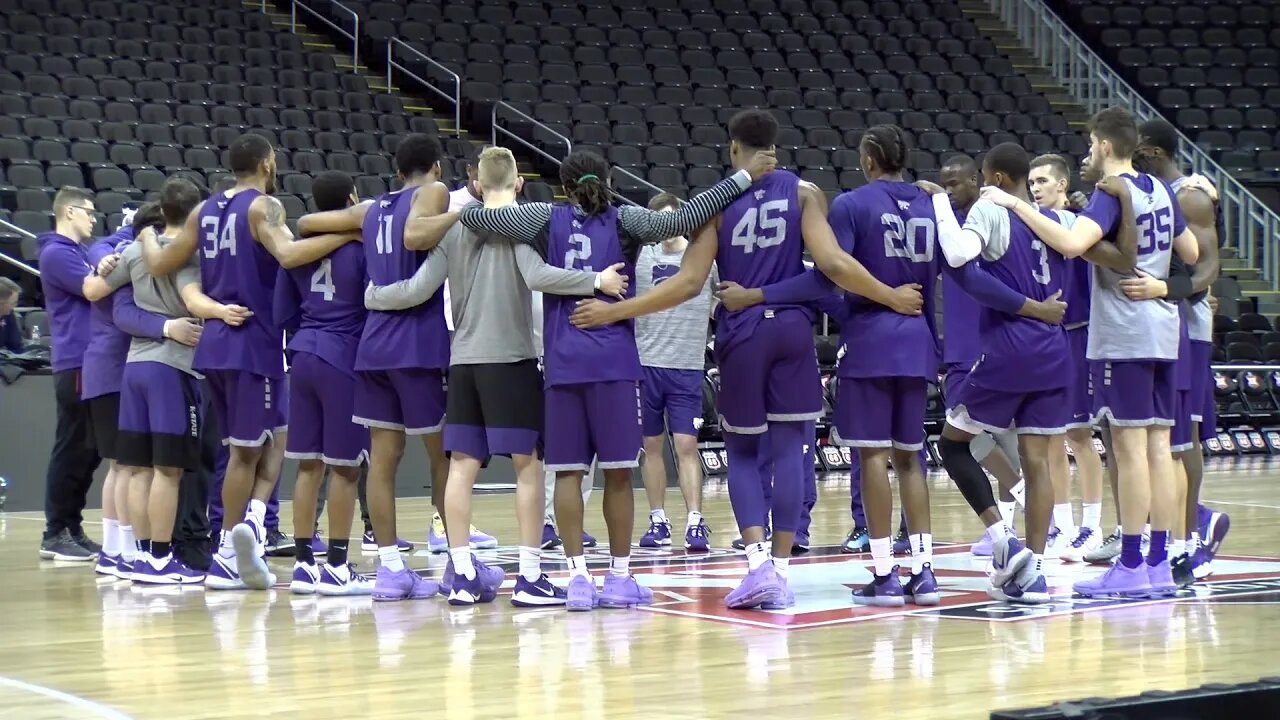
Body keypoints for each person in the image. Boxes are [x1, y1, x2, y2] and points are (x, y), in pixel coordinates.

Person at [569, 114, 925, 610]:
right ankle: (780, 568)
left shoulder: (722, 201)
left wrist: (617, 310)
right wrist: (891, 296)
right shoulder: (805, 194)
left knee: (742, 453)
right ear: (775, 146)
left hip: (743, 333)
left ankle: (757, 564)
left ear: (734, 148)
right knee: (790, 452)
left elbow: (689, 283)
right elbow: (834, 267)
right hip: (793, 332)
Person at [456, 145, 781, 611]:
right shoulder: (627, 220)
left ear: (565, 188)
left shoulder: (542, 219)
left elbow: (474, 220)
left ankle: (577, 579)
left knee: (568, 475)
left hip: (563, 366)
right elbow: (681, 219)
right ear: (607, 180)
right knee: (618, 477)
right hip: (613, 365)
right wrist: (742, 179)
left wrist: (491, 189)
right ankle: (621, 577)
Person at [365, 146, 622, 606]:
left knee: (461, 467)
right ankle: (528, 576)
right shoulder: (521, 224)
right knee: (528, 467)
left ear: (477, 185)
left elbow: (420, 289)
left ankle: (461, 574)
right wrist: (595, 282)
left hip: (463, 360)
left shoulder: (457, 228)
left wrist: (376, 297)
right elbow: (539, 275)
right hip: (510, 360)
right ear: (519, 183)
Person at [982, 106, 1201, 599]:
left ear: (1104, 144)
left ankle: (1129, 565)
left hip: (1125, 332)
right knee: (1159, 450)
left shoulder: (1111, 191)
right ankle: (1160, 562)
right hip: (1166, 330)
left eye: (1088, 144)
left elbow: (1071, 240)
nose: (1087, 153)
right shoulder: (1162, 189)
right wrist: (1162, 282)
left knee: (1129, 450)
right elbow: (1191, 254)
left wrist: (1016, 205)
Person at [139, 133, 359, 591]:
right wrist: (350, 230)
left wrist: (143, 234)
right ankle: (226, 552)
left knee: (273, 438)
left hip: (214, 343)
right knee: (245, 453)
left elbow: (160, 264)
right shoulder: (263, 208)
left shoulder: (203, 210)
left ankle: (251, 527)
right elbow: (289, 253)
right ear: (268, 163)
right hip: (250, 339)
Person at [296, 136, 496, 600]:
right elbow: (417, 236)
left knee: (382, 463)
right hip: (417, 345)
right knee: (444, 457)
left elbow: (305, 222)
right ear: (437, 167)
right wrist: (464, 214)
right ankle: (458, 564)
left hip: (372, 347)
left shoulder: (370, 209)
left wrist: (355, 231)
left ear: (397, 168)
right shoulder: (435, 193)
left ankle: (390, 570)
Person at [928, 143, 1087, 603]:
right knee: (1039, 465)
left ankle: (1004, 539)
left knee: (953, 446)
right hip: (1055, 352)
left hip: (1008, 348)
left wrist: (940, 201)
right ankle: (1033, 572)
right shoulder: (1059, 222)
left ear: (994, 179)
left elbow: (958, 255)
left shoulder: (991, 210)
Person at [106, 178, 240, 584]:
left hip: (135, 366)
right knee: (169, 471)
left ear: (162, 211)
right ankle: (162, 559)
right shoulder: (194, 254)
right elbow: (192, 298)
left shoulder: (131, 251)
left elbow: (96, 288)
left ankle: (144, 554)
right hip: (174, 367)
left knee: (141, 468)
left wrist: (104, 260)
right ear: (198, 211)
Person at [1131, 119, 1229, 583]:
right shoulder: (1152, 192)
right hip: (1164, 323)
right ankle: (1189, 523)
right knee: (1161, 436)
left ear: (1149, 152)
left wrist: (1168, 289)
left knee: (1181, 435)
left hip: (1186, 326)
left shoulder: (1189, 194)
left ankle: (1189, 540)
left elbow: (1209, 264)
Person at [274, 171, 376, 596]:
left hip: (303, 353)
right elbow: (375, 302)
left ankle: (303, 565)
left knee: (307, 465)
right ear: (353, 198)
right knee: (346, 469)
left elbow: (283, 311)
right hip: (343, 357)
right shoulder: (362, 246)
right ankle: (336, 565)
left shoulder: (300, 250)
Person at [938, 154, 1029, 557]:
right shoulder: (947, 224)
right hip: (963, 343)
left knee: (968, 441)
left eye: (956, 183)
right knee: (993, 439)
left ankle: (1029, 505)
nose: (949, 190)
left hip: (984, 343)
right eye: (944, 184)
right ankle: (1009, 525)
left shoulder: (988, 219)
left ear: (977, 180)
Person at [79, 206, 174, 579]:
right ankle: (126, 550)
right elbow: (95, 276)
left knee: (121, 467)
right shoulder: (128, 254)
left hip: (107, 368)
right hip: (116, 367)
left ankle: (115, 550)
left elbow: (99, 251)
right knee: (130, 466)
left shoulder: (117, 249)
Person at [1028, 153, 1108, 561]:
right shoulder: (1033, 224)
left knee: (1079, 435)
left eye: (1043, 181)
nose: (1036, 188)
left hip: (1077, 334)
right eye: (1031, 182)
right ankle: (1062, 524)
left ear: (1062, 184)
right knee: (1052, 439)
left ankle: (1092, 527)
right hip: (1047, 337)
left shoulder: (1078, 225)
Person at [634, 192, 716, 552]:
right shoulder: (640, 258)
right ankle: (658, 520)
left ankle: (695, 521)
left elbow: (720, 305)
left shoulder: (703, 262)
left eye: (672, 219)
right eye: (659, 222)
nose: (666, 229)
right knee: (651, 446)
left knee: (686, 444)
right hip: (646, 365)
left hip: (686, 367)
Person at [36, 187, 106, 561]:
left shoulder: (77, 253)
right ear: (68, 212)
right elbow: (93, 290)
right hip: (76, 360)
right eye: (88, 212)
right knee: (73, 447)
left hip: (89, 361)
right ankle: (56, 531)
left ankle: (71, 528)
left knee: (89, 450)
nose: (93, 219)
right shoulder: (57, 253)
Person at [0, 278, 24, 352]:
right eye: (13, 303)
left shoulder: (9, 315)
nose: (15, 306)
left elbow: (15, 346)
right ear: (1, 302)